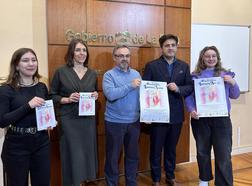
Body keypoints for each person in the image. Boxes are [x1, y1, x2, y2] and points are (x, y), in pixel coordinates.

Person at [142, 34, 193, 186]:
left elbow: (189, 87)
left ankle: (170, 177)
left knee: (171, 149)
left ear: (176, 47)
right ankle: (156, 179)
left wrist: (178, 88)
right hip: (157, 115)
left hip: (176, 115)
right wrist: (146, 113)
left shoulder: (184, 66)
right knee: (156, 149)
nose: (170, 48)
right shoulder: (152, 66)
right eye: (167, 45)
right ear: (162, 48)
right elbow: (145, 91)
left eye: (173, 45)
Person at [185, 46, 240, 186]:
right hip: (200, 119)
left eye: (213, 56)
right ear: (202, 58)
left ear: (217, 58)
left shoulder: (225, 74)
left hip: (221, 120)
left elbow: (235, 95)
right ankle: (204, 180)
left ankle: (224, 183)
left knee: (223, 155)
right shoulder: (195, 75)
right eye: (207, 56)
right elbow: (189, 97)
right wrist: (191, 110)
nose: (211, 59)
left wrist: (232, 82)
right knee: (202, 152)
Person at [0, 48, 50, 186]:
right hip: (16, 145)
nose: (31, 63)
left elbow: (46, 110)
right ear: (17, 65)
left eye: (34, 60)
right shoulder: (5, 90)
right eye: (25, 60)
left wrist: (49, 121)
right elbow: (2, 121)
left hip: (41, 142)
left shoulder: (42, 87)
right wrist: (28, 106)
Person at [50, 38, 98, 186]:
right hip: (69, 119)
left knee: (86, 153)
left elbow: (93, 91)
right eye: (78, 50)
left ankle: (84, 181)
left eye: (84, 50)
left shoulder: (92, 73)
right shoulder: (61, 72)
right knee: (72, 153)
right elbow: (52, 96)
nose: (81, 53)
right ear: (71, 52)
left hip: (87, 120)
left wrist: (95, 95)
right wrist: (67, 99)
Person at [103, 45, 141, 186]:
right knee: (113, 157)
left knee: (132, 156)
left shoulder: (136, 74)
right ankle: (112, 183)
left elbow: (140, 97)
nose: (124, 58)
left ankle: (131, 182)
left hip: (134, 122)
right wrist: (130, 85)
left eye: (127, 55)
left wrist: (145, 114)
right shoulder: (109, 75)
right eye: (120, 56)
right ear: (115, 58)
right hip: (114, 123)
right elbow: (111, 95)